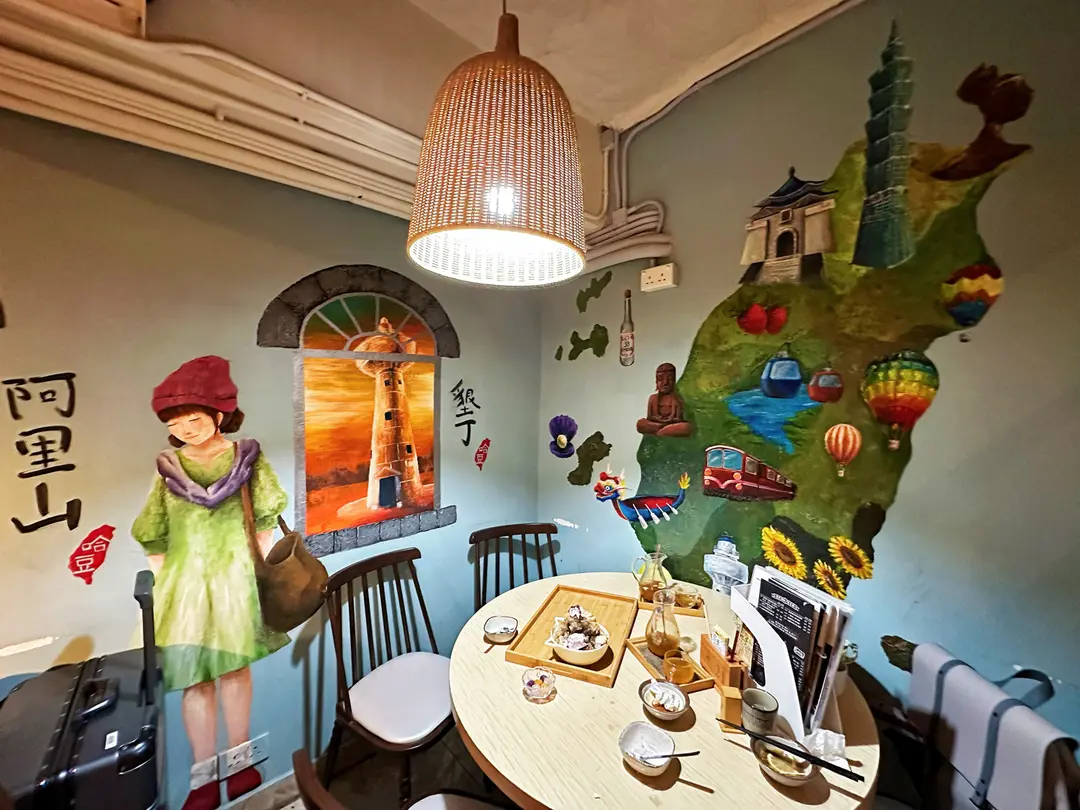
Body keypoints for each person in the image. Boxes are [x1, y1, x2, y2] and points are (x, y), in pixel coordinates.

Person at [133, 356, 288, 810]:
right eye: (175, 422)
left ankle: (240, 763)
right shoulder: (167, 467)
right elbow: (152, 531)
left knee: (235, 671)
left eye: (193, 419)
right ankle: (203, 776)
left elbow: (266, 517)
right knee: (194, 680)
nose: (184, 429)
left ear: (220, 415)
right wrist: (168, 579)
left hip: (236, 581)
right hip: (185, 588)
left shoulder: (247, 458)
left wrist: (252, 568)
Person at [636, 362, 694, 438]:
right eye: (661, 379)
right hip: (656, 425)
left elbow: (678, 419)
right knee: (640, 423)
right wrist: (655, 425)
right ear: (656, 382)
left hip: (671, 426)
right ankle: (664, 431)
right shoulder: (652, 399)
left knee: (686, 427)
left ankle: (661, 432)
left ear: (674, 381)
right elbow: (649, 419)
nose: (665, 383)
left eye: (669, 379)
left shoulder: (677, 400)